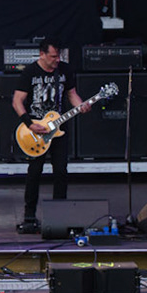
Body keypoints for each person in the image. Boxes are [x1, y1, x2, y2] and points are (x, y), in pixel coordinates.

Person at [12, 43, 88, 234]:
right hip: (35, 130)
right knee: (34, 172)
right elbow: (17, 101)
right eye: (53, 56)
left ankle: (59, 216)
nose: (57, 60)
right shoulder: (30, 72)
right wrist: (29, 124)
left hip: (59, 129)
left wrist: (82, 105)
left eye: (58, 56)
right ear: (42, 54)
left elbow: (72, 95)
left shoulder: (64, 70)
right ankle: (29, 216)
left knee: (61, 171)